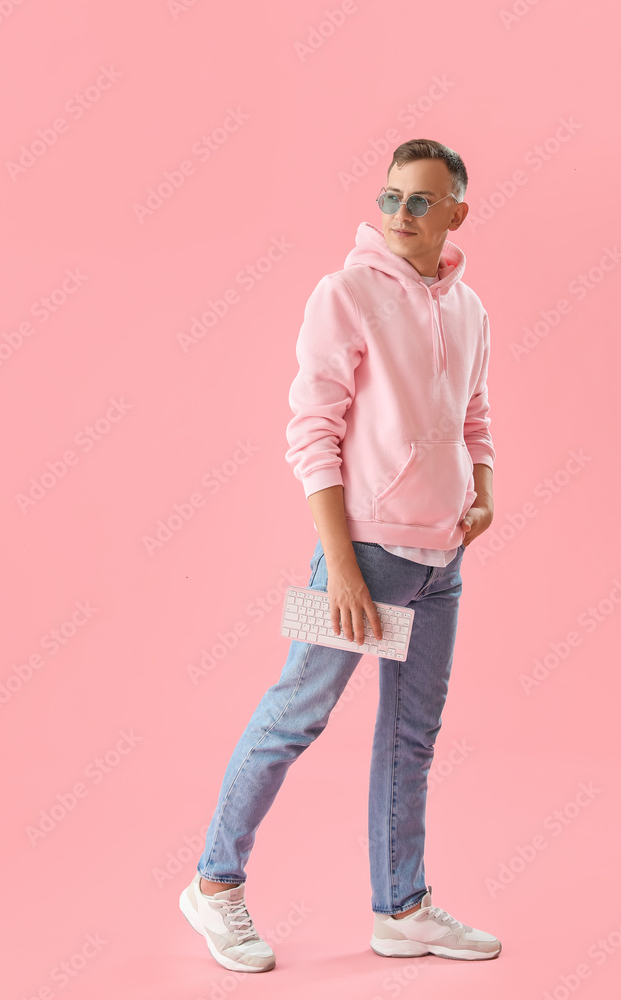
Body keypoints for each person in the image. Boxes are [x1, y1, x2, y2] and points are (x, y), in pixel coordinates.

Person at [180, 138, 501, 972]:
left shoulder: (469, 310)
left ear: (455, 213)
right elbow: (310, 434)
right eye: (391, 197)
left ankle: (401, 907)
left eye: (421, 201)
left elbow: (475, 414)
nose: (400, 214)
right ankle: (214, 886)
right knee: (295, 715)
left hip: (441, 564)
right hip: (365, 552)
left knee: (411, 738)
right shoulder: (345, 293)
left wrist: (487, 482)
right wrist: (344, 564)